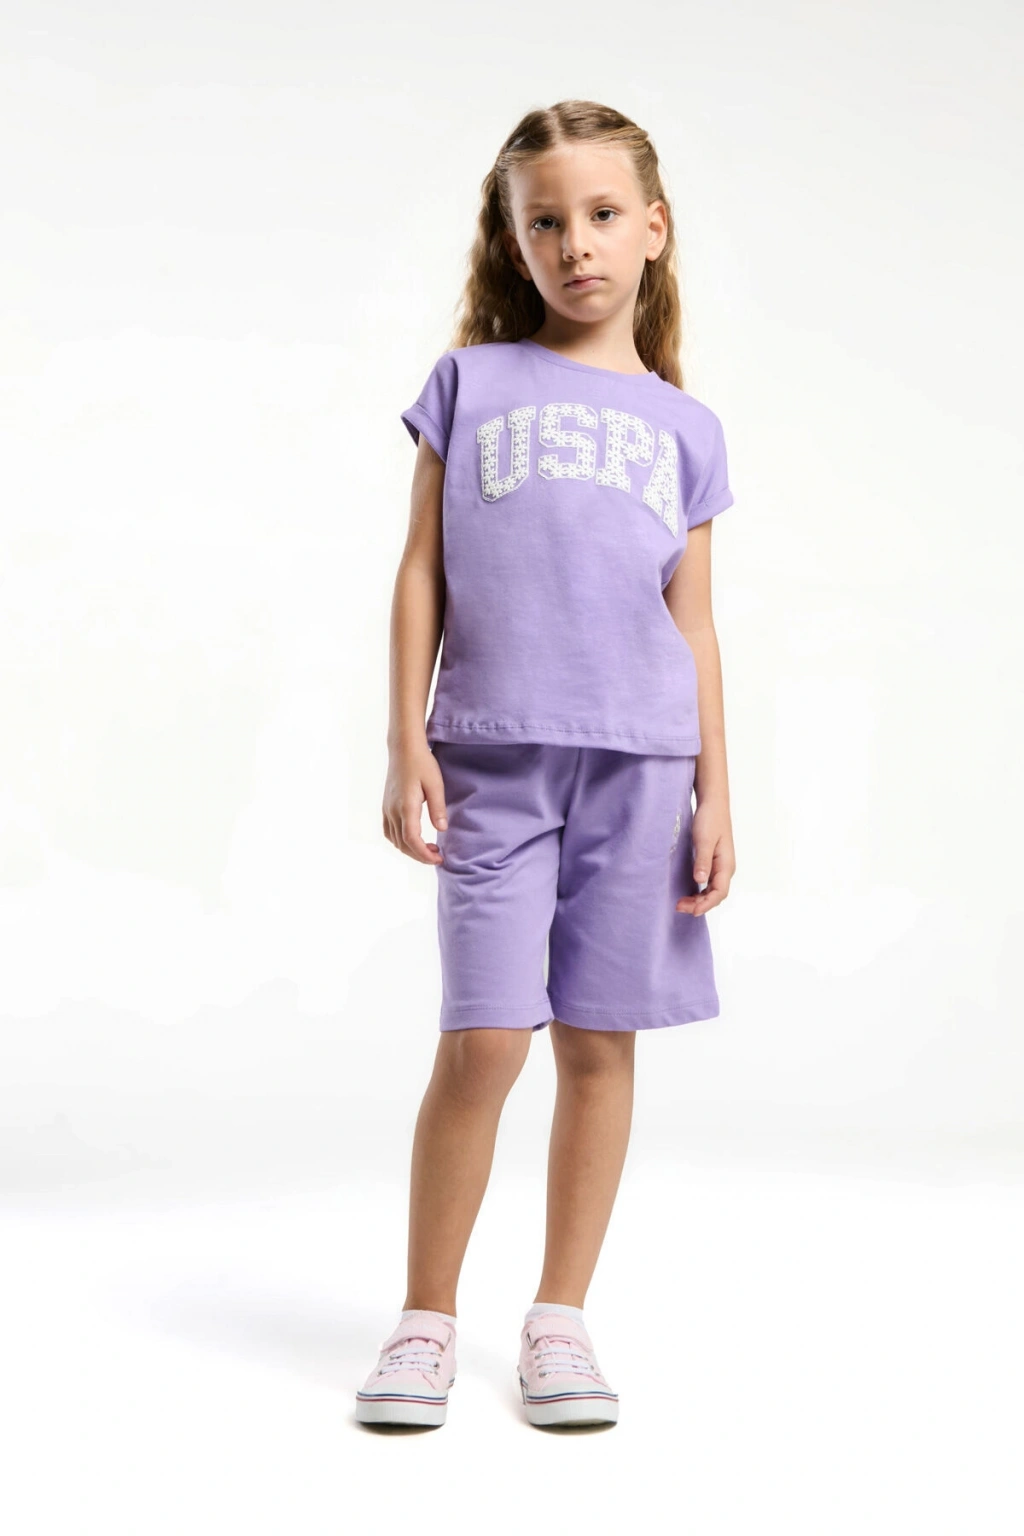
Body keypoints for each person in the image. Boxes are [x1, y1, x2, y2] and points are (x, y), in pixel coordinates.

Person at [356, 98, 736, 1431]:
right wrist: (404, 734)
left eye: (602, 214)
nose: (577, 243)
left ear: (653, 229)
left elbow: (695, 622)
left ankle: (560, 1320)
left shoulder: (686, 427)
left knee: (598, 1042)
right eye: (547, 221)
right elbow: (421, 568)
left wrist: (718, 791)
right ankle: (425, 1320)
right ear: (515, 241)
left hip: (644, 768)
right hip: (493, 764)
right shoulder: (470, 383)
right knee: (484, 1041)